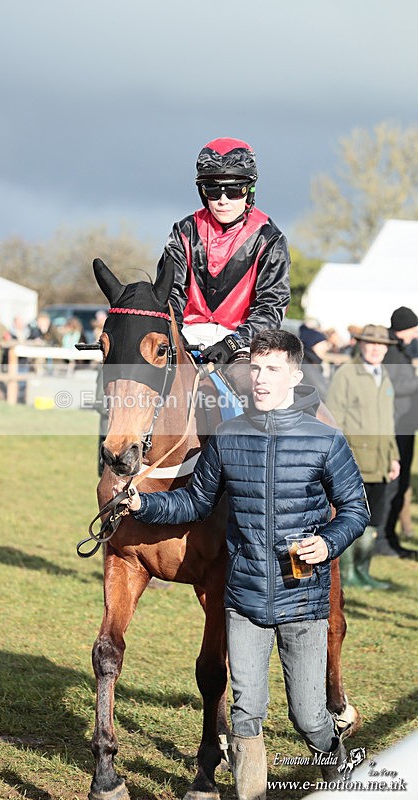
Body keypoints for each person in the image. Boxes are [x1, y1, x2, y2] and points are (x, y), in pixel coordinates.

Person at [116, 330, 368, 797]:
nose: (261, 379)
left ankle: (334, 763)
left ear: (295, 374)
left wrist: (327, 543)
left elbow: (356, 510)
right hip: (245, 599)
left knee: (307, 715)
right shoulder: (228, 437)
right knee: (245, 714)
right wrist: (142, 507)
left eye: (273, 369)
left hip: (301, 598)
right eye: (255, 369)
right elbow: (193, 503)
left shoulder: (326, 440)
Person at [156, 137, 290, 367]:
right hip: (187, 336)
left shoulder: (270, 238)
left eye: (235, 190)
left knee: (249, 387)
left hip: (243, 341)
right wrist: (176, 336)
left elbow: (271, 307)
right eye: (213, 190)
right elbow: (169, 296)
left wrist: (232, 343)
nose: (223, 200)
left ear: (249, 190)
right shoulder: (183, 231)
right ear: (202, 191)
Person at [326, 324, 402, 588]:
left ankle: (362, 570)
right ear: (360, 344)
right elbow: (335, 419)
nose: (375, 349)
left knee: (374, 520)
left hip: (381, 461)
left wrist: (393, 456)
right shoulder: (346, 374)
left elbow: (389, 423)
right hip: (355, 461)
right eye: (370, 343)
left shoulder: (385, 375)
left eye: (380, 345)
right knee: (350, 516)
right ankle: (348, 574)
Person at [381, 306, 418, 556]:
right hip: (395, 427)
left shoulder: (398, 349)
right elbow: (397, 384)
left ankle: (390, 537)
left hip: (403, 425)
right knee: (393, 484)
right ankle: (383, 541)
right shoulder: (392, 351)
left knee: (401, 482)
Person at [299, 323, 330, 400]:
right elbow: (324, 393)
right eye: (322, 344)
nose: (326, 348)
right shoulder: (306, 366)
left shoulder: (313, 363)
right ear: (311, 345)